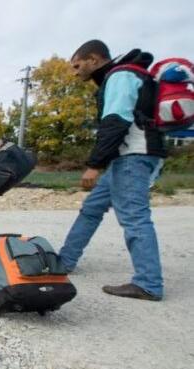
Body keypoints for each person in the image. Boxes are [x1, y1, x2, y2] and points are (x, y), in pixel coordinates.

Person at [59, 40, 167, 301]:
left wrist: (95, 165)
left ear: (94, 59)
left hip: (134, 157)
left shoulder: (120, 75)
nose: (75, 72)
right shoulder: (121, 75)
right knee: (91, 208)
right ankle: (64, 261)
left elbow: (116, 121)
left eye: (77, 65)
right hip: (125, 159)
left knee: (134, 217)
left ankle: (148, 284)